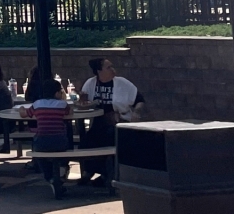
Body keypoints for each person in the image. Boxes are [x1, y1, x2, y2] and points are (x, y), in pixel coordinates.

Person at [78, 57, 144, 186]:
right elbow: (84, 101)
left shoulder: (122, 83)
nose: (113, 70)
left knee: (109, 138)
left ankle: (107, 175)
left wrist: (137, 112)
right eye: (108, 67)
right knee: (87, 141)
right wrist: (83, 102)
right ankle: (89, 171)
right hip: (98, 122)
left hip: (119, 122)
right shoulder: (90, 84)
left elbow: (140, 100)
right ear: (99, 71)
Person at [21, 78, 73, 199]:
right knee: (67, 146)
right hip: (60, 142)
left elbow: (24, 114)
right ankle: (62, 170)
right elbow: (70, 113)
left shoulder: (37, 104)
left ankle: (49, 177)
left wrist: (21, 109)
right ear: (56, 93)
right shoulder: (62, 104)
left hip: (42, 142)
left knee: (38, 153)